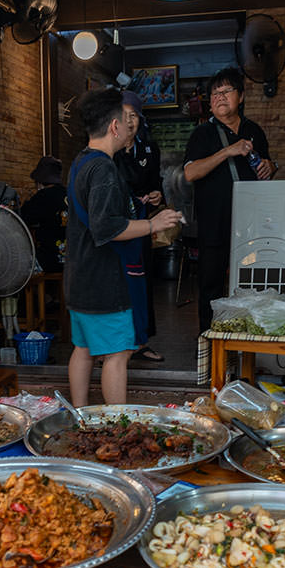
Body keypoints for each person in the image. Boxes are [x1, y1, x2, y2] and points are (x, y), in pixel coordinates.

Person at [65, 88, 183, 407]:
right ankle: (117, 423)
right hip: (104, 280)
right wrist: (153, 224)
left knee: (83, 349)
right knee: (117, 355)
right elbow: (107, 227)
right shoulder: (103, 168)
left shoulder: (80, 161)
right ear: (114, 126)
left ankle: (79, 416)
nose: (130, 127)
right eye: (125, 121)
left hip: (79, 276)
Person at [182, 68, 275, 326]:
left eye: (226, 91)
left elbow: (265, 169)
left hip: (252, 225)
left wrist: (271, 166)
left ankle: (246, 340)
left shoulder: (254, 130)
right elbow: (190, 172)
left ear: (241, 96)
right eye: (215, 94)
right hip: (215, 223)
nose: (220, 97)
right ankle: (208, 341)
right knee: (210, 286)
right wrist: (227, 151)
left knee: (252, 284)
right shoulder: (202, 134)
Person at [115, 91, 165, 363]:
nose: (129, 121)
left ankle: (141, 341)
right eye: (123, 115)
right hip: (116, 223)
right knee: (117, 280)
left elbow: (156, 183)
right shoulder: (109, 150)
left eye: (133, 115)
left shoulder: (148, 149)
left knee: (141, 279)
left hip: (142, 222)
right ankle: (115, 344)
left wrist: (157, 194)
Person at [20, 157, 67, 274]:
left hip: (49, 261)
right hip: (72, 260)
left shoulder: (42, 196)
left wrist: (25, 201)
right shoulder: (69, 194)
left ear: (40, 181)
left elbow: (23, 218)